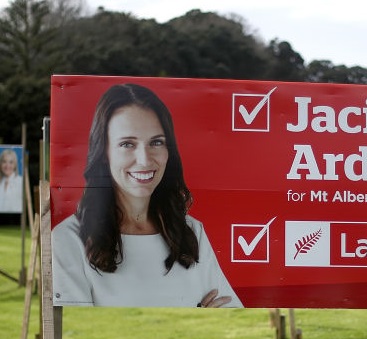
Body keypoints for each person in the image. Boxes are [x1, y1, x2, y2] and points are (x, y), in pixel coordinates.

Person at [52, 83, 243, 308]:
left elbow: (229, 313)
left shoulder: (191, 231)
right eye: (127, 144)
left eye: (156, 142)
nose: (144, 159)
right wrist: (196, 317)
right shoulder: (68, 239)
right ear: (104, 152)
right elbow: (75, 332)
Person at [0, 148, 23, 213]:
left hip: (15, 219)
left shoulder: (20, 181)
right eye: (4, 161)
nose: (7, 165)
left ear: (15, 165)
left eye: (11, 162)